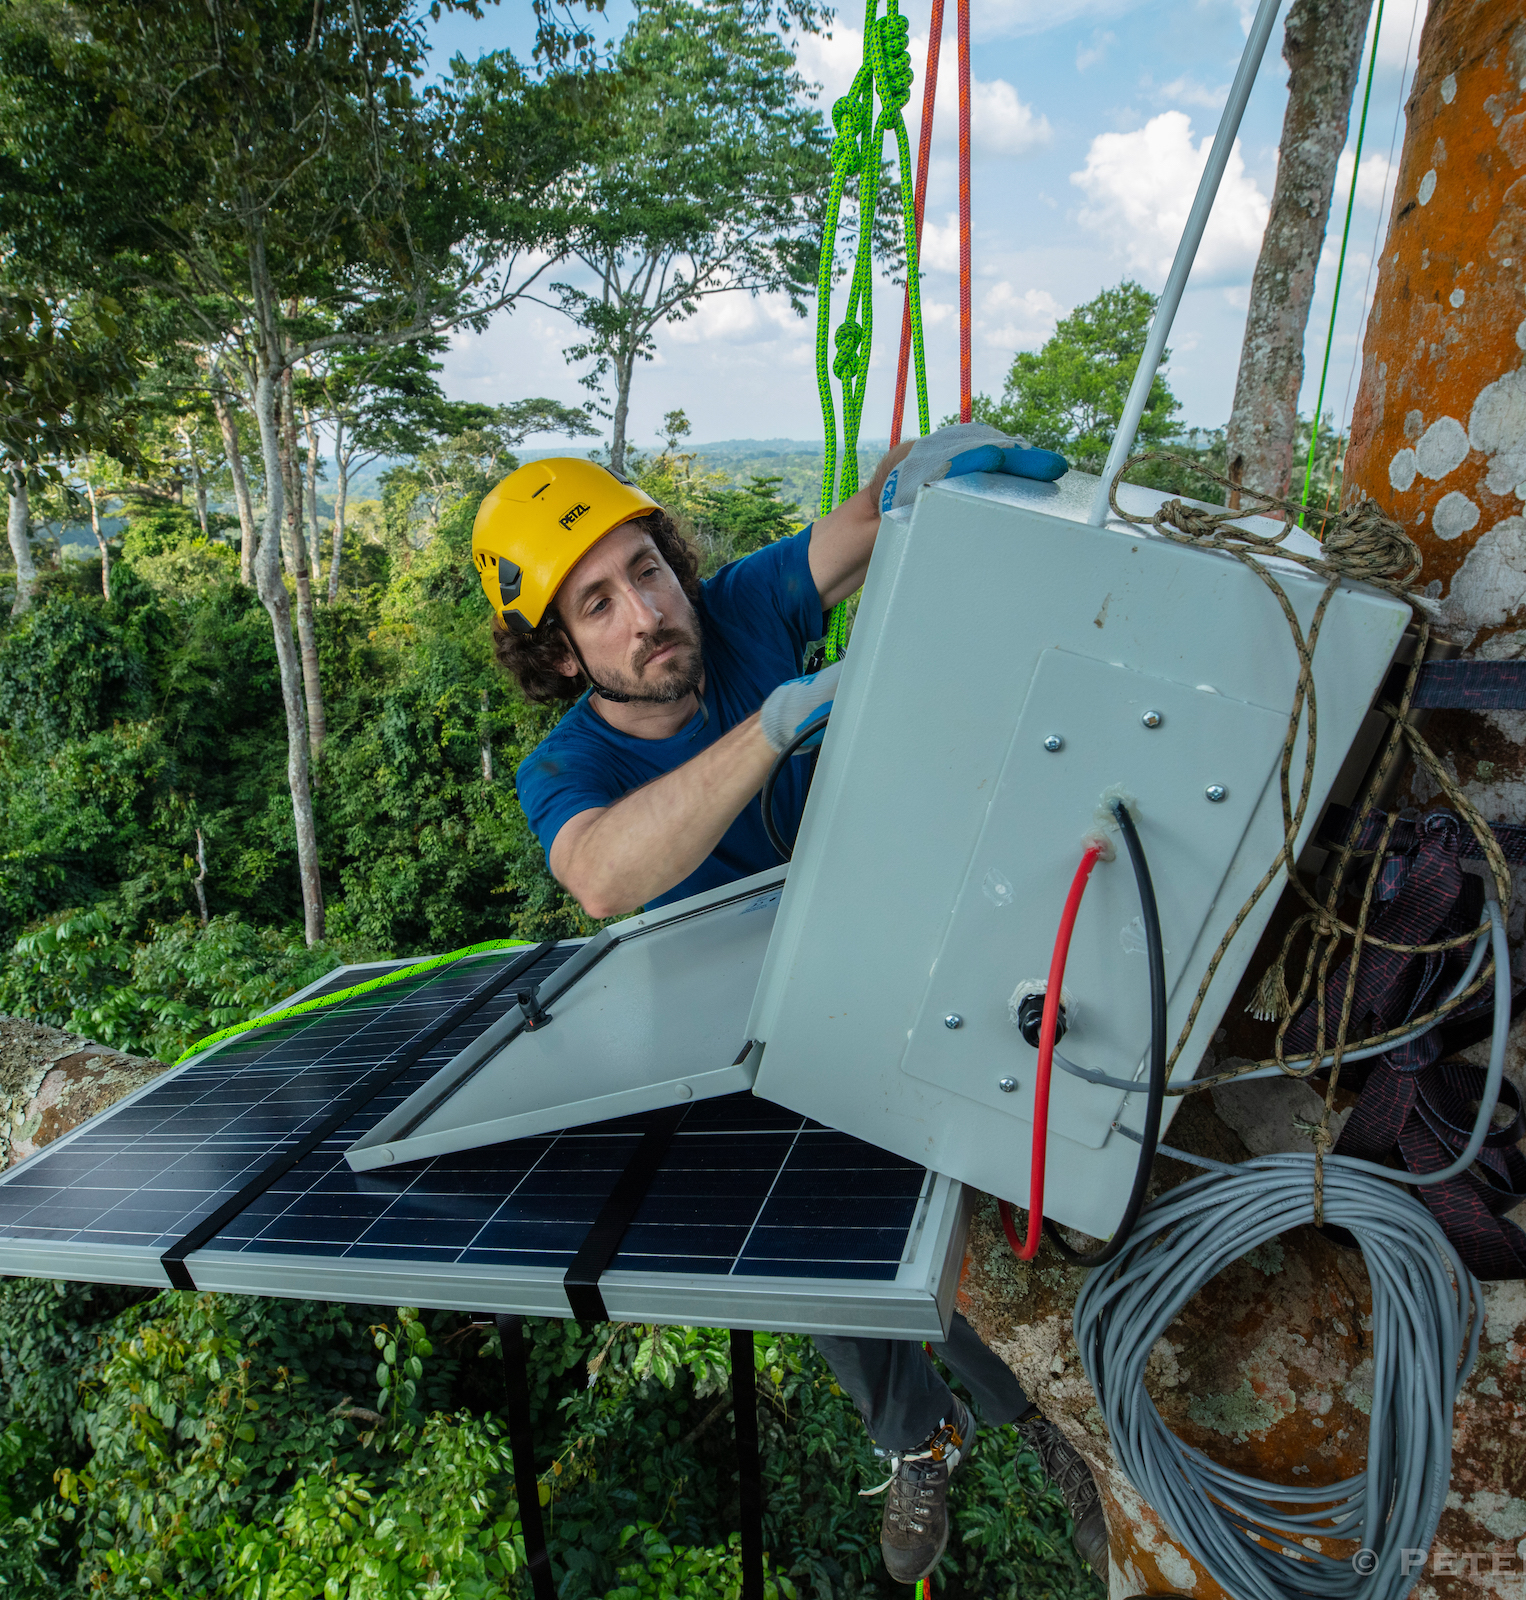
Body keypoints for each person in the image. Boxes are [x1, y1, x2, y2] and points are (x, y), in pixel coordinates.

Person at [473, 428, 1109, 1587]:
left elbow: (862, 531)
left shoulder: (738, 608)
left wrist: (917, 484)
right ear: (562, 655)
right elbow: (604, 873)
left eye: (646, 569)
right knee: (803, 1236)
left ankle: (1040, 1419)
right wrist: (770, 731)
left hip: (890, 930)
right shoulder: (563, 767)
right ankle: (917, 1431)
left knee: (999, 1171)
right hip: (750, 1017)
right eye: (599, 605)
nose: (647, 614)